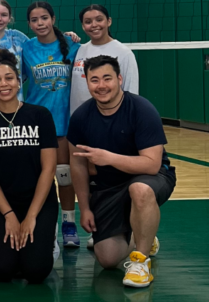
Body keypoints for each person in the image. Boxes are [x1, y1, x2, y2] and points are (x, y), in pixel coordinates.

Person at [68, 55, 176, 288]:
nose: (101, 85)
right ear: (86, 82)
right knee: (107, 259)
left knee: (140, 189)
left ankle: (141, 260)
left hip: (151, 177)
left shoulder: (142, 109)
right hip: (109, 186)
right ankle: (144, 235)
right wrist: (84, 208)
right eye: (94, 80)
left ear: (119, 79)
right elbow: (77, 165)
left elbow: (151, 164)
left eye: (107, 78)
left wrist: (108, 158)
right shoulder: (80, 117)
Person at [0, 50, 59, 284]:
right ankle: (24, 247)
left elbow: (48, 170)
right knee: (2, 270)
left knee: (36, 272)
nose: (4, 84)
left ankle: (46, 239)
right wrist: (9, 215)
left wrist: (31, 216)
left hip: (39, 202)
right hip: (4, 203)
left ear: (19, 81)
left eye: (9, 78)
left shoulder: (40, 115)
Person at [21, 0, 81, 248]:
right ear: (29, 24)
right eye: (34, 20)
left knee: (64, 176)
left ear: (53, 19)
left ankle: (68, 223)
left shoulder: (74, 47)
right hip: (36, 124)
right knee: (39, 179)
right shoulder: (25, 49)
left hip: (65, 123)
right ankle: (46, 224)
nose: (40, 23)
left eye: (44, 18)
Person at [0, 0, 80, 105]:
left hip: (17, 105)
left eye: (4, 15)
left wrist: (67, 37)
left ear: (9, 18)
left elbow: (45, 44)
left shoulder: (18, 39)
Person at [70, 4, 139, 114]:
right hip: (79, 118)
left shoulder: (124, 53)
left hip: (110, 119)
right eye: (88, 22)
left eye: (99, 20)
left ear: (109, 21)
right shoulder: (80, 50)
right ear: (83, 26)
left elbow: (131, 92)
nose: (94, 25)